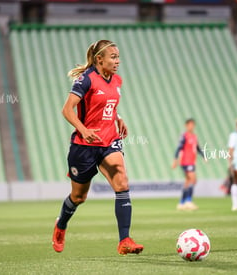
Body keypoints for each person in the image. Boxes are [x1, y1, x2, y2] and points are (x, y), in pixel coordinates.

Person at [51, 40, 143, 255]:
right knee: (78, 197)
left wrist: (118, 117)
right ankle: (61, 224)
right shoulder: (86, 79)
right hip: (84, 146)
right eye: (113, 57)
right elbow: (67, 110)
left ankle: (125, 240)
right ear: (99, 59)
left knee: (122, 182)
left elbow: (107, 104)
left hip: (109, 141)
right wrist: (83, 130)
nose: (117, 61)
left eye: (118, 56)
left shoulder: (117, 79)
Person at [172, 119, 206, 211]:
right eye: (190, 125)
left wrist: (204, 156)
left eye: (193, 125)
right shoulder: (184, 136)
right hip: (185, 161)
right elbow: (179, 148)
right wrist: (175, 160)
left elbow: (198, 148)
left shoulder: (194, 136)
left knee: (187, 182)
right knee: (193, 180)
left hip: (192, 161)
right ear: (186, 126)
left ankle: (182, 203)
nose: (191, 126)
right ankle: (188, 201)